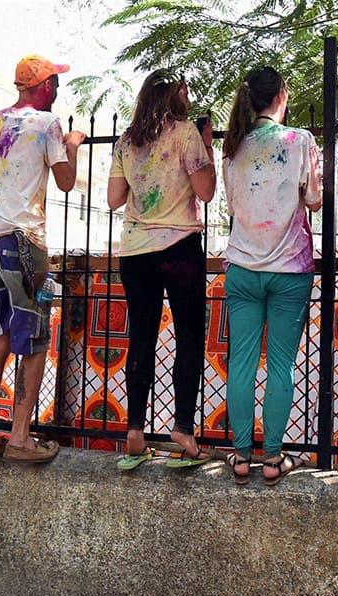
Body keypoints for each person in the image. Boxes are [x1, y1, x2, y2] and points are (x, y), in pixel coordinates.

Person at [0, 54, 85, 462]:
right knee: (33, 341)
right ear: (46, 86)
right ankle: (19, 436)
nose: (57, 90)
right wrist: (71, 144)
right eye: (55, 83)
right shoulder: (48, 124)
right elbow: (67, 182)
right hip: (23, 241)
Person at [107, 68, 216, 470]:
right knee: (188, 336)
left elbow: (114, 198)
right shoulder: (187, 133)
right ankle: (183, 430)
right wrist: (205, 149)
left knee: (142, 335)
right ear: (176, 97)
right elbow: (205, 192)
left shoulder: (126, 141)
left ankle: (135, 429)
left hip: (136, 250)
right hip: (180, 247)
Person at [220, 67, 322, 485]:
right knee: (281, 365)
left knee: (241, 364)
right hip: (290, 270)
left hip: (242, 267)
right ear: (281, 95)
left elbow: (231, 208)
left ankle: (241, 457)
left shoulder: (230, 147)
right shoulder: (300, 141)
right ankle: (273, 459)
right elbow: (314, 199)